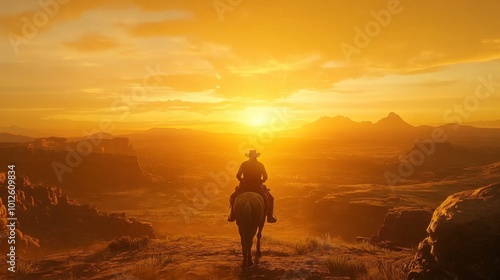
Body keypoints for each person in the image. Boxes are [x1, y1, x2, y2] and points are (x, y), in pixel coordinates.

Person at [227, 150, 277, 223]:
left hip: (245, 184)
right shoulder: (260, 165)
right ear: (256, 156)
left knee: (233, 197)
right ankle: (270, 216)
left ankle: (232, 214)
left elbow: (238, 175)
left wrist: (242, 180)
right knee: (271, 198)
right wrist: (262, 181)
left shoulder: (244, 164)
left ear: (249, 156)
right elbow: (265, 176)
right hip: (257, 185)